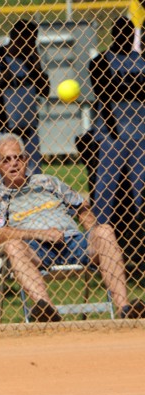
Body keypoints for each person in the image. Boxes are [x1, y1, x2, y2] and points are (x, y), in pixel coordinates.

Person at [0, 133, 145, 322]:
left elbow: (81, 207)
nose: (14, 164)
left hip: (72, 241)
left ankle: (124, 309)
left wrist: (94, 233)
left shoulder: (48, 181)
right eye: (7, 160)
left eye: (19, 157)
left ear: (26, 160)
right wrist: (40, 234)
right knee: (12, 245)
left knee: (105, 231)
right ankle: (47, 311)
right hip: (35, 249)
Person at [0, 19, 50, 186]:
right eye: (25, 39)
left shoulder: (31, 61)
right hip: (1, 131)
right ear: (14, 37)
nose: (28, 44)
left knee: (33, 181)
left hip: (28, 131)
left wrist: (36, 66)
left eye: (32, 40)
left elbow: (45, 91)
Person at [88, 16, 145, 243]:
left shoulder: (141, 60)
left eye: (129, 32)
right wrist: (114, 131)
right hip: (113, 135)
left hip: (140, 134)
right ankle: (99, 235)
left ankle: (138, 234)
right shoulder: (101, 61)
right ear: (113, 34)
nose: (125, 36)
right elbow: (104, 92)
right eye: (120, 32)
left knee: (141, 186)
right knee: (105, 188)